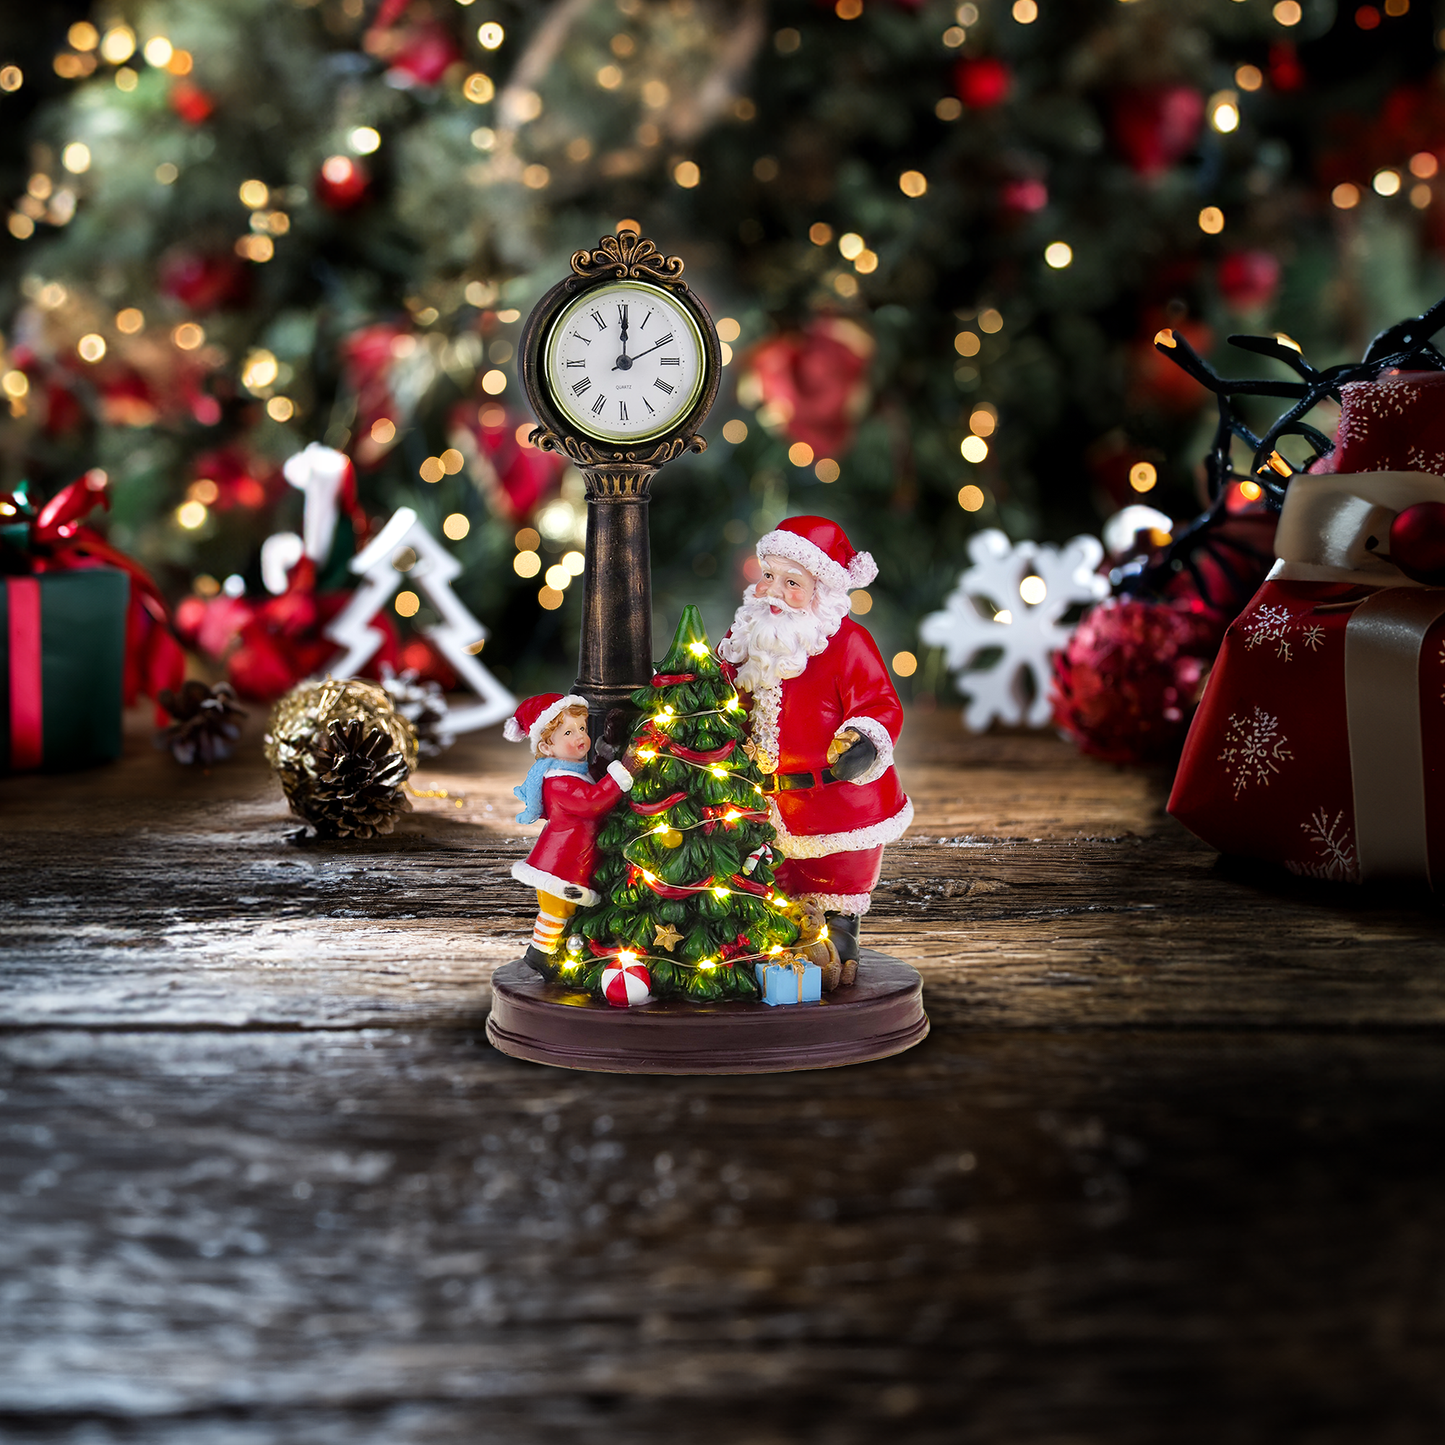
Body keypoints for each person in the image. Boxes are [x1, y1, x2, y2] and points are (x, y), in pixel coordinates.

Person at [717, 515, 912, 963]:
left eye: (792, 582)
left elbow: (879, 702)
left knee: (836, 886)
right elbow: (716, 687)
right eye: (769, 576)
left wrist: (864, 740)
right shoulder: (744, 638)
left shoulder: (848, 645)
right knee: (768, 891)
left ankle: (841, 934)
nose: (775, 592)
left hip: (835, 802)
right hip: (761, 808)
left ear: (820, 593)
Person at [505, 694, 635, 969]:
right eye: (568, 731)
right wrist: (621, 775)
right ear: (546, 746)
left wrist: (606, 760)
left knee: (563, 910)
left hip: (574, 857)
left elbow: (591, 780)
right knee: (555, 911)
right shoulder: (558, 782)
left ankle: (551, 952)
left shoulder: (573, 772)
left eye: (582, 729)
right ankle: (539, 955)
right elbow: (592, 802)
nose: (581, 737)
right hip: (560, 863)